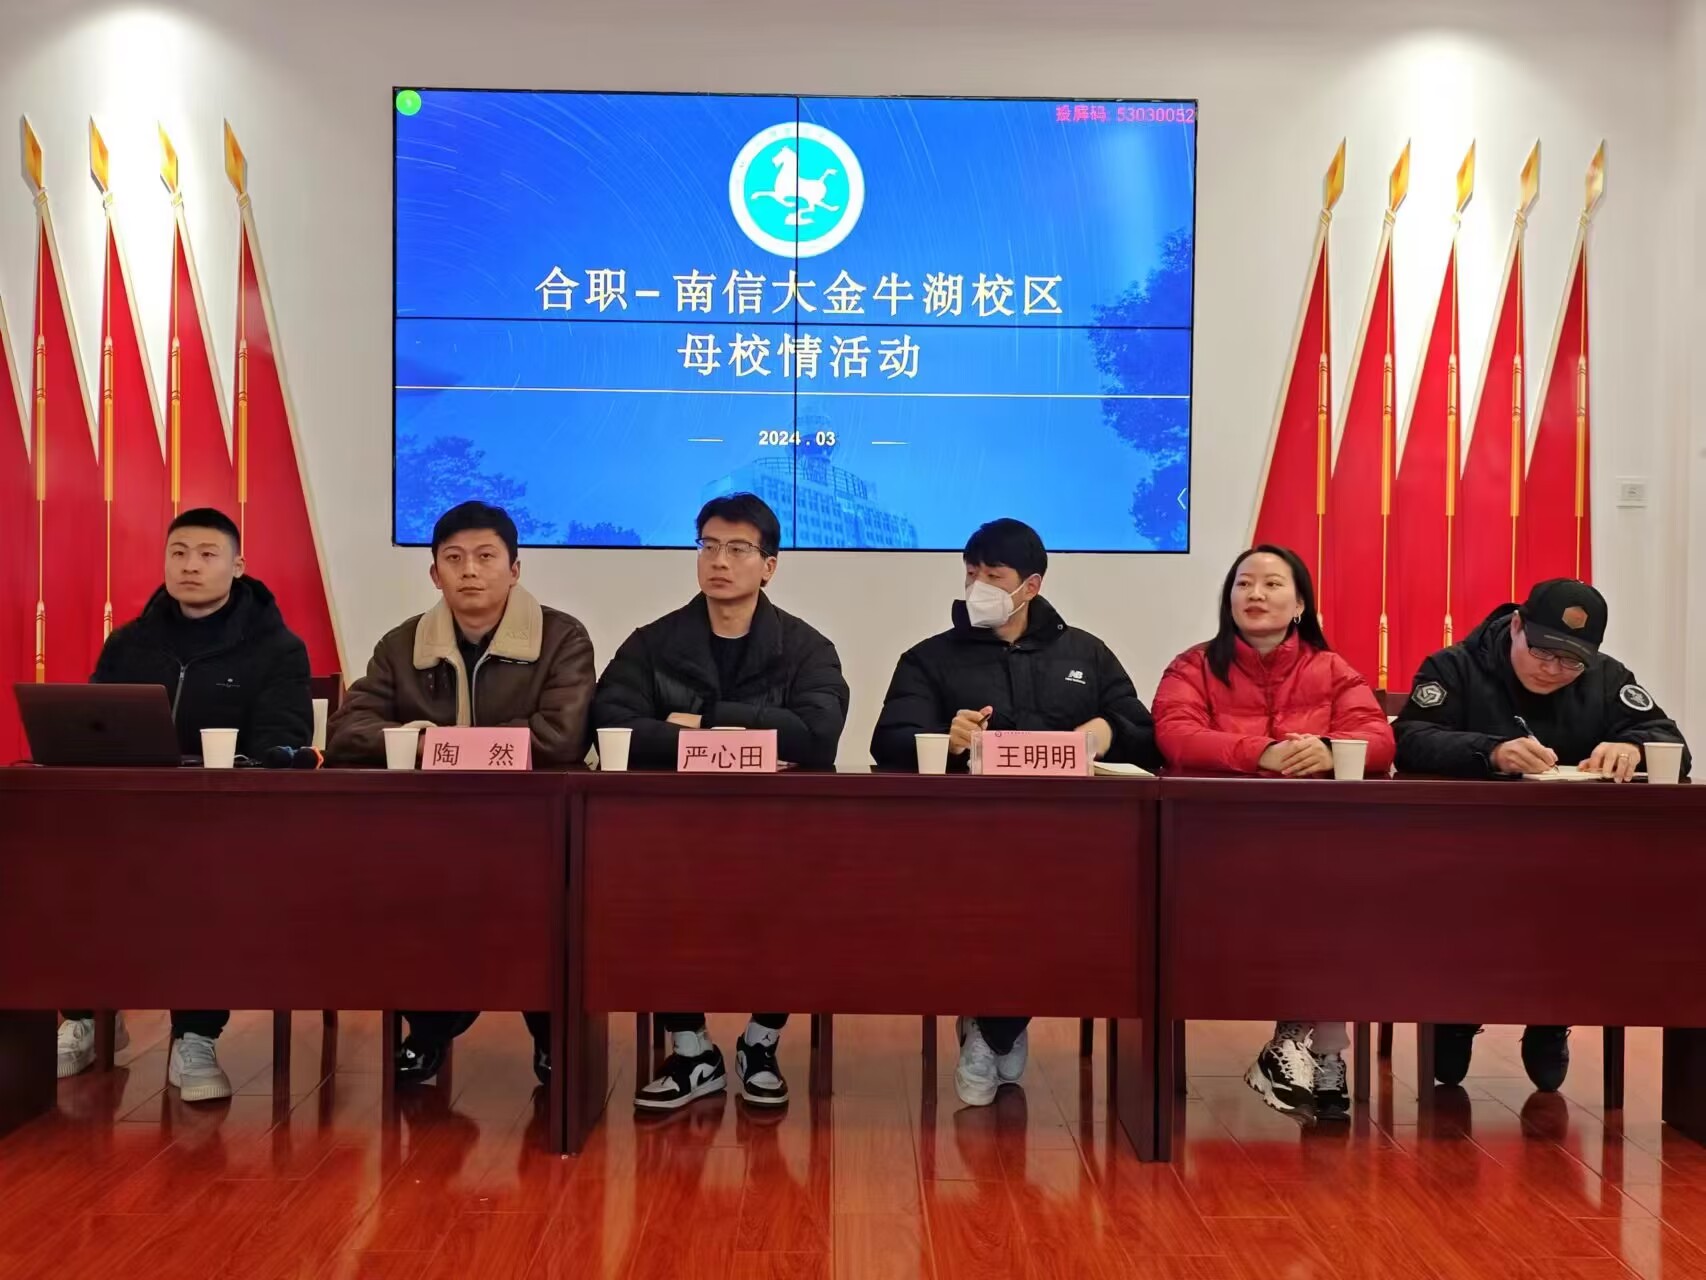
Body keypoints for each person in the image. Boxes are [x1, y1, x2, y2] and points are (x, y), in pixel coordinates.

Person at [870, 517, 1162, 1108]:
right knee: (1000, 900)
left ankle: (992, 1027)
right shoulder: (931, 658)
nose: (977, 585)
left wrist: (1104, 731)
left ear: (1031, 585)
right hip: (967, 842)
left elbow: (1145, 735)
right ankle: (997, 1024)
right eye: (970, 573)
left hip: (1070, 842)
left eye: (993, 575)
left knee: (1072, 898)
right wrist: (946, 738)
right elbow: (889, 741)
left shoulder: (1086, 653)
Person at [326, 500, 596, 1087]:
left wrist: (435, 745)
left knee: (543, 905)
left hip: (535, 827)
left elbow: (559, 737)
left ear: (515, 569)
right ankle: (428, 1030)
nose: (469, 570)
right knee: (408, 897)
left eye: (485, 556)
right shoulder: (403, 644)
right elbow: (348, 732)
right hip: (431, 829)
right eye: (453, 558)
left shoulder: (562, 638)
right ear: (434, 573)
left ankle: (551, 1036)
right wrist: (433, 742)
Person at [593, 493, 849, 1112]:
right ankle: (692, 1052)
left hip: (778, 830)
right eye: (708, 546)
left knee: (798, 897)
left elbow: (817, 738)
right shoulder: (653, 644)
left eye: (738, 548)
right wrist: (748, 737)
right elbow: (612, 727)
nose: (719, 561)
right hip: (673, 829)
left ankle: (761, 1043)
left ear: (769, 565)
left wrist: (699, 719)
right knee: (649, 893)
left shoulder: (806, 648)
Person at [1394, 577, 1691, 1091]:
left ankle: (1551, 1016)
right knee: (1468, 898)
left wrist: (1634, 748)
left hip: (1568, 859)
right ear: (1516, 626)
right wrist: (1491, 752)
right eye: (1542, 652)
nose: (1553, 669)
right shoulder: (1454, 667)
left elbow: (1673, 743)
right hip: (1465, 852)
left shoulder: (1606, 677)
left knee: (1590, 897)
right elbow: (1410, 739)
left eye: (1571, 661)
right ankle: (1456, 1012)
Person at [59, 507, 312, 1101]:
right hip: (131, 813)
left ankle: (195, 1034)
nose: (190, 565)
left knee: (205, 874)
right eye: (178, 553)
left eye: (206, 553)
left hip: (225, 818)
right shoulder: (129, 643)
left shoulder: (277, 649)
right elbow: (91, 725)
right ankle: (87, 1016)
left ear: (238, 565)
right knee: (62, 862)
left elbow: (282, 740)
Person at [1152, 544, 1395, 1123]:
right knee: (1312, 898)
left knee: (1334, 896)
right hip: (1218, 845)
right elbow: (1175, 735)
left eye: (1271, 584)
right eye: (1243, 584)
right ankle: (1308, 1047)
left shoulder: (1332, 670)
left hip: (1313, 844)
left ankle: (1312, 1047)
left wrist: (1330, 750)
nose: (1255, 594)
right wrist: (1261, 753)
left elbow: (1380, 743)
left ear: (1300, 603)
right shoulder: (1192, 667)